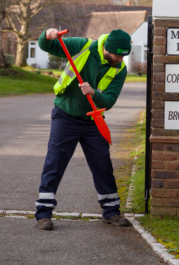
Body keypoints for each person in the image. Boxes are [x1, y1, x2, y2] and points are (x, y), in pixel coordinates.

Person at [35, 27, 132, 230]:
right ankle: (43, 214)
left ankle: (111, 212)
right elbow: (47, 46)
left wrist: (94, 93)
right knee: (55, 163)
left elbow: (110, 100)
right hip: (65, 116)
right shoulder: (82, 46)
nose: (120, 60)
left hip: (93, 121)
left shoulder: (119, 69)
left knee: (102, 165)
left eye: (124, 56)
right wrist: (47, 34)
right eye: (117, 55)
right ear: (106, 48)